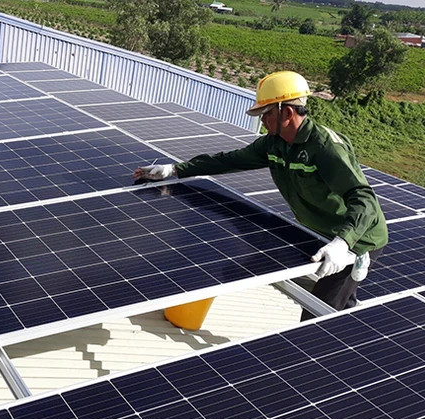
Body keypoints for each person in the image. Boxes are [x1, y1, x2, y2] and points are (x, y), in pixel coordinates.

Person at [134, 71, 388, 320]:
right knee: (238, 271)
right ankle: (349, 313)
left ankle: (352, 278)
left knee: (318, 315)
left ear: (287, 113)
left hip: (355, 239)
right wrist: (176, 169)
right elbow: (230, 160)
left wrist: (343, 243)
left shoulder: (325, 148)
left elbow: (363, 198)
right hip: (316, 231)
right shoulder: (274, 143)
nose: (262, 120)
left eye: (266, 113)